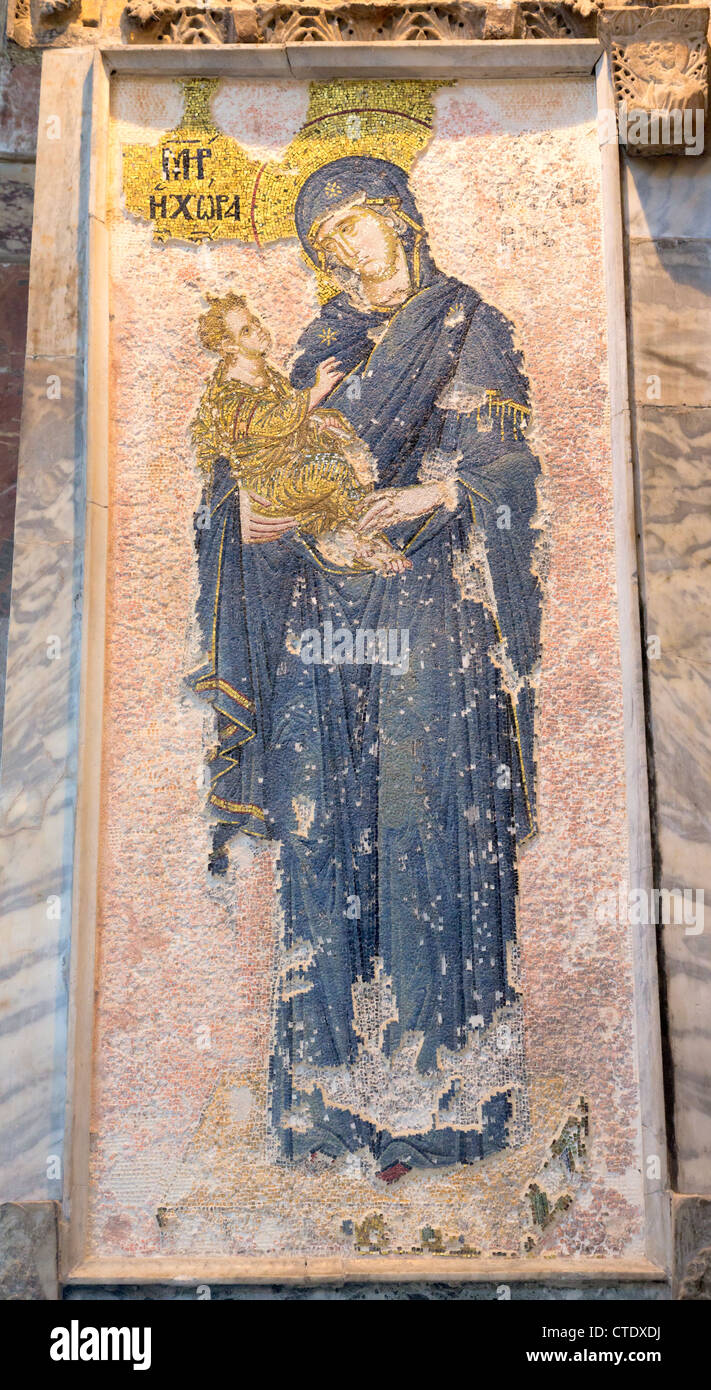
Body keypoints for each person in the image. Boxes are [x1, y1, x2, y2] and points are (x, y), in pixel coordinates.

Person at [188, 156, 543, 1181]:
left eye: (358, 228)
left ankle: (440, 1086)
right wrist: (245, 510)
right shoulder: (322, 345)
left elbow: (508, 472)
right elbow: (243, 468)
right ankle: (322, 1092)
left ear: (402, 220)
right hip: (312, 623)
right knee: (321, 830)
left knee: (425, 821)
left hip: (427, 618)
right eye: (326, 245)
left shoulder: (463, 324)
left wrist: (430, 498)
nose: (347, 254)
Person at [191, 292, 411, 575]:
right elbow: (272, 423)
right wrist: (316, 393)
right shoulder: (229, 390)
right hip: (268, 482)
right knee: (334, 470)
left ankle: (364, 545)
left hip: (290, 465)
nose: (258, 330)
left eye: (255, 322)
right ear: (228, 345)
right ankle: (374, 543)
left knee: (340, 448)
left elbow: (289, 424)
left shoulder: (264, 373)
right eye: (246, 331)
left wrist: (319, 421)